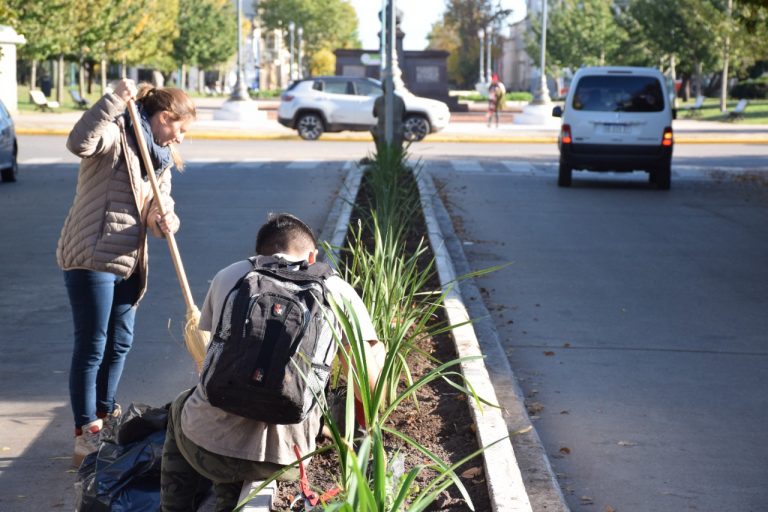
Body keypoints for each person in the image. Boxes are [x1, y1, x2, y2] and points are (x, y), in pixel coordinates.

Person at [160, 213, 385, 512]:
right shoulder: (338, 291)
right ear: (312, 255)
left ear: (258, 254)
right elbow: (369, 394)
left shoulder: (231, 275)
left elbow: (213, 366)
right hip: (286, 459)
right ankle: (230, 499)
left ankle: (173, 507)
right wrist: (377, 352)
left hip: (206, 448)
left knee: (182, 404)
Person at [58, 78, 196, 467]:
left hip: (129, 261)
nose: (181, 139)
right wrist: (115, 99)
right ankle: (86, 430)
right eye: (180, 129)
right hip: (92, 255)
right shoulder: (115, 135)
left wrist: (165, 218)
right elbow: (78, 142)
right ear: (164, 117)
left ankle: (106, 413)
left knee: (120, 341)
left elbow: (158, 205)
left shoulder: (160, 158)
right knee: (93, 344)